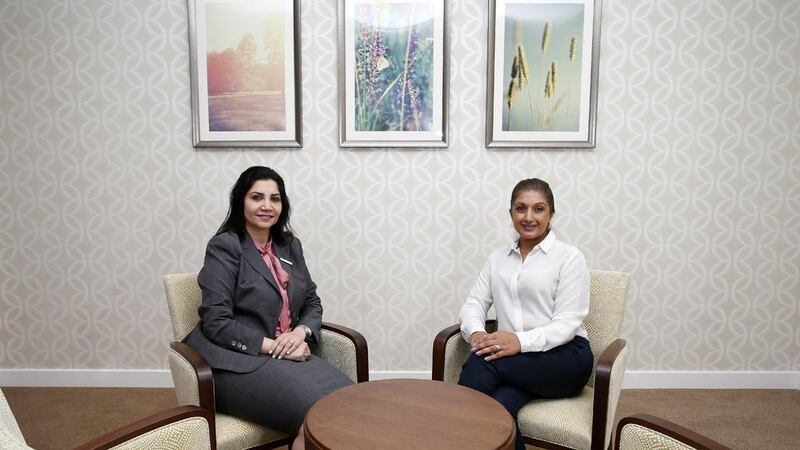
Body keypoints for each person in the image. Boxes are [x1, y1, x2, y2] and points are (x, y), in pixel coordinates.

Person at [183, 166, 352, 449]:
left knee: (349, 402)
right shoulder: (225, 246)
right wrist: (278, 347)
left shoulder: (289, 246)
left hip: (284, 353)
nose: (266, 206)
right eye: (257, 197)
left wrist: (298, 334)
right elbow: (216, 321)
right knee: (319, 417)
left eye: (275, 199)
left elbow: (312, 301)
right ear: (241, 201)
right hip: (234, 362)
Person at [457, 178, 593, 450]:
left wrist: (518, 341)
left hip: (564, 358)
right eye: (521, 209)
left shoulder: (569, 258)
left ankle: (448, 426)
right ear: (510, 213)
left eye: (538, 209)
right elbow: (474, 304)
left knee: (482, 363)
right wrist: (478, 333)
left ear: (551, 214)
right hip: (516, 363)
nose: (529, 217)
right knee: (499, 408)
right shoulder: (497, 259)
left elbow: (566, 325)